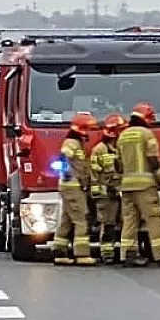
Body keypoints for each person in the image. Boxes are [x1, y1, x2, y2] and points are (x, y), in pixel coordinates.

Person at [117, 101, 160, 267]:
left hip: (127, 186)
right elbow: (153, 158)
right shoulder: (147, 135)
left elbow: (117, 163)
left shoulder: (122, 136)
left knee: (129, 220)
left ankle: (128, 255)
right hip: (145, 186)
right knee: (154, 218)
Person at [53, 113, 97, 266]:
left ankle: (59, 252)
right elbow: (63, 157)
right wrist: (65, 172)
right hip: (72, 186)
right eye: (87, 129)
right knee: (81, 219)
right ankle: (82, 254)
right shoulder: (71, 143)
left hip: (71, 186)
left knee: (66, 220)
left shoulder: (77, 143)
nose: (88, 132)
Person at [88, 115, 124, 265]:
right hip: (107, 195)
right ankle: (107, 253)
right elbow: (94, 175)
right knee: (108, 225)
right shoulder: (99, 150)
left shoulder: (121, 148)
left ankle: (127, 253)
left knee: (128, 223)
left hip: (123, 193)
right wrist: (102, 192)